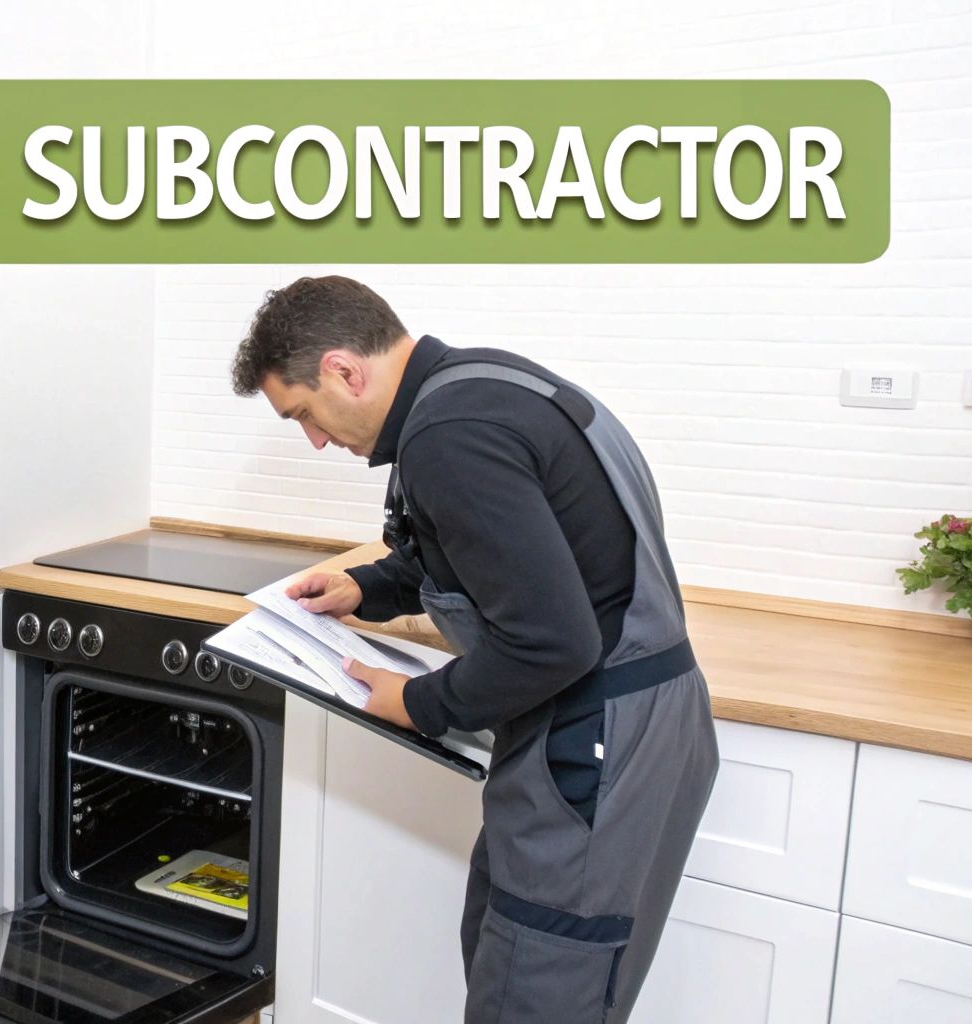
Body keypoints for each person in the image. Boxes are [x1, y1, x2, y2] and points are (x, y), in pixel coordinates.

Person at [231, 276, 718, 1023]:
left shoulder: (448, 437)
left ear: (342, 370)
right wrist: (368, 588)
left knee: (539, 990)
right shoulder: (483, 386)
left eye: (305, 414)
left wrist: (415, 703)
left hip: (594, 740)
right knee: (508, 957)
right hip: (608, 725)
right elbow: (494, 557)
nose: (317, 439)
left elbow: (552, 641)